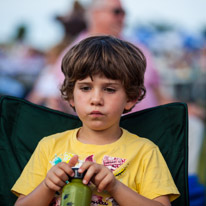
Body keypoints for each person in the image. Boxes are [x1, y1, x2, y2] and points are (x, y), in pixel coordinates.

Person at [12, 36, 179, 206]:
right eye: (85, 88)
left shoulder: (145, 152)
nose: (96, 99)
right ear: (71, 96)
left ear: (131, 98)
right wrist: (47, 185)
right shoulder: (49, 147)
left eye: (109, 89)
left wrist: (115, 187)